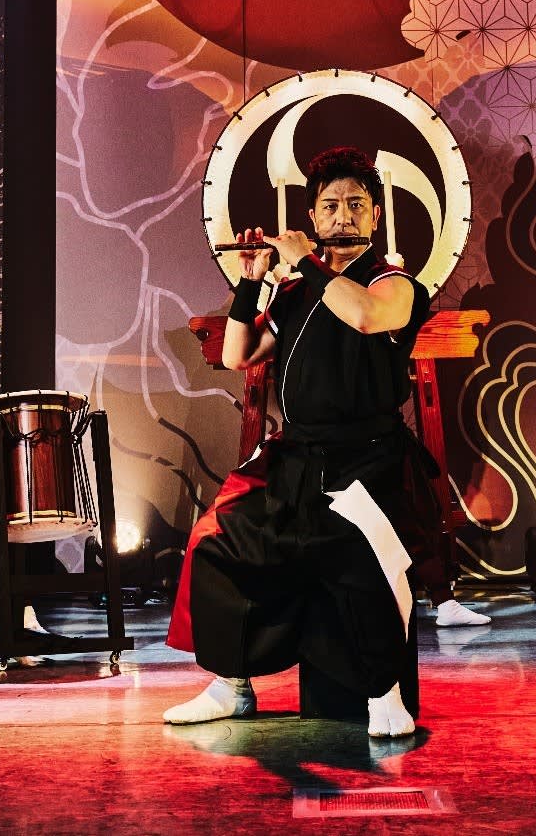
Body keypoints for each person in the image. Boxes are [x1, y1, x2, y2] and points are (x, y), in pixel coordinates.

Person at [165, 147, 431, 738]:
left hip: (367, 458)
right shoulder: (295, 290)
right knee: (218, 539)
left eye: (356, 205)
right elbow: (238, 354)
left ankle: (385, 692)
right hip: (298, 455)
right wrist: (251, 283)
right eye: (330, 206)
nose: (343, 216)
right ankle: (231, 684)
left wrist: (306, 263)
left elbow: (365, 317)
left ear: (376, 217)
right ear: (313, 216)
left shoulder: (394, 283)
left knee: (357, 552)